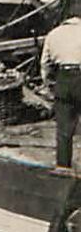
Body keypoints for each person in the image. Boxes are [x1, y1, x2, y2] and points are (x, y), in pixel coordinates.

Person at [41, 15, 81, 169]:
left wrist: (49, 85)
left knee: (64, 130)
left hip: (63, 79)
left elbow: (45, 65)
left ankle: (63, 168)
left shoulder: (53, 34)